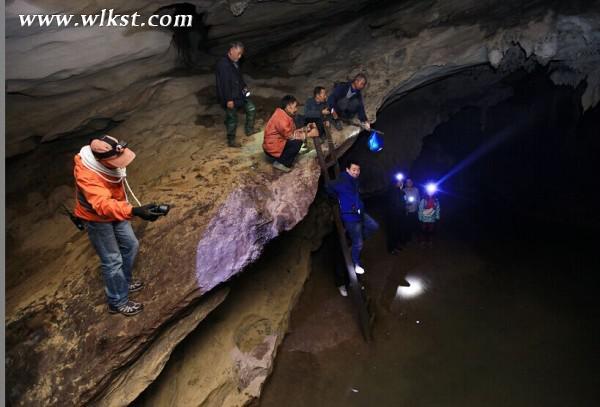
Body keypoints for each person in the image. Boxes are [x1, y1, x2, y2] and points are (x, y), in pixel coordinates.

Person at [74, 135, 165, 316]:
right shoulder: (87, 174)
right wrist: (135, 211)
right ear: (102, 160)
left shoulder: (108, 163)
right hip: (97, 218)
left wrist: (132, 210)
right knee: (112, 259)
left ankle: (123, 282)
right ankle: (117, 301)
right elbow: (102, 205)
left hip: (116, 209)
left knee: (131, 245)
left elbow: (114, 195)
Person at [326, 160, 379, 281]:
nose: (356, 172)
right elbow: (329, 186)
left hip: (360, 213)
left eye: (358, 170)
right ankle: (357, 264)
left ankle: (356, 242)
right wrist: (334, 196)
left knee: (374, 226)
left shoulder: (354, 181)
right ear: (347, 170)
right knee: (359, 243)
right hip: (350, 217)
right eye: (354, 169)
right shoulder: (343, 180)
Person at [215, 41, 256, 148]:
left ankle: (249, 130)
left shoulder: (235, 61)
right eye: (238, 53)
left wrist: (244, 87)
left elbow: (238, 77)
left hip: (239, 93)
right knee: (232, 118)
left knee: (251, 108)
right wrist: (228, 99)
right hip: (230, 96)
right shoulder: (223, 64)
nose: (240, 56)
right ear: (231, 51)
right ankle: (231, 140)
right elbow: (224, 84)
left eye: (241, 53)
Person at [263, 95, 319, 172]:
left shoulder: (283, 114)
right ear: (288, 107)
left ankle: (285, 156)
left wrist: (305, 129)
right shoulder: (281, 120)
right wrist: (310, 134)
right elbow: (292, 136)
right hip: (272, 149)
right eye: (295, 107)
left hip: (276, 143)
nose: (296, 109)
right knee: (297, 142)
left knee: (298, 135)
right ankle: (281, 163)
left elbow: (291, 131)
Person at [386, 175, 408, 254]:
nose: (401, 183)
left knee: (397, 231)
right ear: (395, 183)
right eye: (399, 182)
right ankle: (391, 249)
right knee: (392, 232)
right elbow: (393, 204)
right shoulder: (391, 191)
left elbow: (402, 202)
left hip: (399, 215)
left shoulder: (400, 191)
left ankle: (396, 246)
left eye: (401, 182)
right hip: (393, 216)